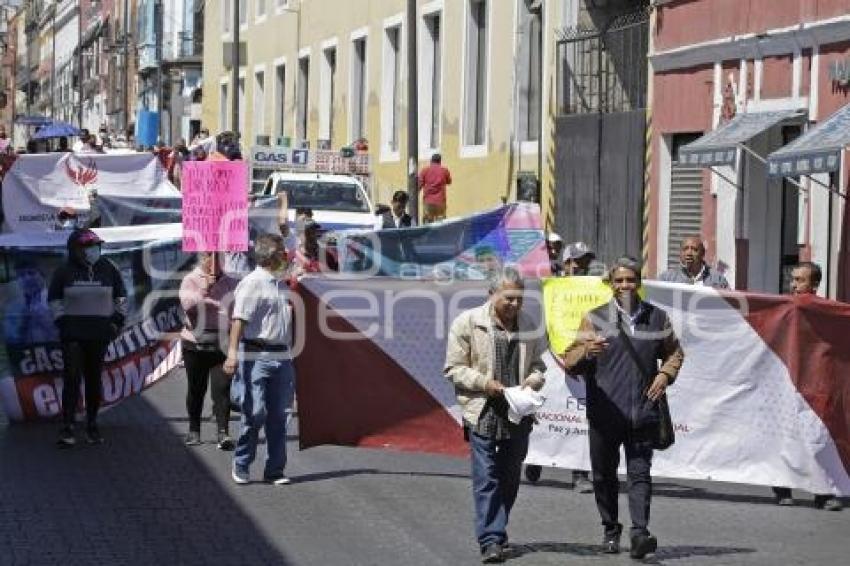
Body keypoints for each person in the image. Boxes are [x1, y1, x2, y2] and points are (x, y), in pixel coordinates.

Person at [563, 256, 684, 559]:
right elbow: (570, 361)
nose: (625, 286)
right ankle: (610, 530)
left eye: (630, 280)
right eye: (619, 281)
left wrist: (664, 374)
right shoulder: (594, 318)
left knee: (640, 474)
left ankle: (640, 533)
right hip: (605, 414)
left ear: (639, 282)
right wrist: (587, 352)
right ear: (610, 284)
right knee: (603, 475)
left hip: (643, 411)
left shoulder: (658, 318)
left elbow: (675, 353)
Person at [445, 267, 547, 563]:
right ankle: (491, 539)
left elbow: (539, 365)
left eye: (519, 298)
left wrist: (533, 380)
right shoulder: (468, 323)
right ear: (492, 295)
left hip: (518, 411)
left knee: (510, 475)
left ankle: (497, 529)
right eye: (509, 298)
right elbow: (453, 369)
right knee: (486, 477)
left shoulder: (528, 323)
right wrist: (484, 384)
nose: (514, 305)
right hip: (482, 410)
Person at [223, 233, 296, 485]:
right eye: (281, 252)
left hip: (283, 357)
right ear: (268, 255)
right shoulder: (253, 283)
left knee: (280, 415)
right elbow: (238, 321)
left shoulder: (282, 283)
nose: (285, 255)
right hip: (256, 354)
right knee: (254, 412)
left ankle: (274, 470)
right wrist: (232, 355)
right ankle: (242, 463)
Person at [525, 236, 595, 493]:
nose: (579, 269)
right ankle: (535, 458)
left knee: (580, 416)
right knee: (544, 411)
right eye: (575, 263)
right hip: (549, 357)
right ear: (564, 264)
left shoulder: (595, 289)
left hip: (580, 359)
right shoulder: (548, 286)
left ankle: (580, 474)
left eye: (585, 265)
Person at [771, 261, 842, 511]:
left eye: (800, 280)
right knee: (785, 434)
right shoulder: (783, 307)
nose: (794, 285)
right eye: (793, 279)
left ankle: (822, 492)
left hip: (815, 381)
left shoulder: (825, 310)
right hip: (785, 379)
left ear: (814, 284)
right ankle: (782, 487)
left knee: (817, 437)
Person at [48, 229, 128, 446]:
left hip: (99, 335)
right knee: (72, 378)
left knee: (94, 380)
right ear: (75, 249)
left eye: (95, 246)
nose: (93, 250)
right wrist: (62, 322)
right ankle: (68, 426)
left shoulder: (109, 268)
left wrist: (116, 323)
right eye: (87, 247)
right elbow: (54, 300)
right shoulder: (63, 271)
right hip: (73, 336)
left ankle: (92, 424)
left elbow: (121, 297)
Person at [179, 252, 239, 450]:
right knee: (196, 388)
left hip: (221, 342)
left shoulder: (231, 282)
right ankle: (194, 429)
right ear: (202, 258)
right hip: (195, 343)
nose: (214, 262)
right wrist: (206, 288)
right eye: (209, 257)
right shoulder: (191, 279)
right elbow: (188, 306)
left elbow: (236, 309)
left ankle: (223, 432)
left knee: (222, 389)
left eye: (218, 257)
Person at [659, 236, 729, 287]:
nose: (689, 253)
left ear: (702, 253)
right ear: (680, 253)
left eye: (694, 249)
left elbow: (728, 304)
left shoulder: (717, 279)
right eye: (685, 249)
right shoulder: (667, 278)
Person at [418, 153, 452, 224]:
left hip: (428, 202)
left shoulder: (425, 170)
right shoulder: (444, 170)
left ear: (431, 161)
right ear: (440, 161)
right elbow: (449, 181)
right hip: (440, 202)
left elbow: (419, 185)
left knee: (427, 224)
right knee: (440, 223)